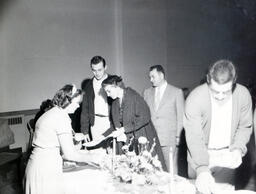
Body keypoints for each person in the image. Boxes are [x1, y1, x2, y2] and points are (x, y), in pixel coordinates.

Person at [184, 60, 253, 194]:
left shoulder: (243, 95)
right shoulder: (195, 98)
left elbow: (245, 126)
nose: (220, 97)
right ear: (208, 80)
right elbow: (194, 137)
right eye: (215, 91)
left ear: (234, 82)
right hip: (200, 155)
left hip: (227, 155)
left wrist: (238, 148)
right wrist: (202, 169)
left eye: (226, 92)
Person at [23, 84, 101, 194]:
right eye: (78, 103)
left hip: (38, 165)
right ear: (69, 100)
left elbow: (61, 148)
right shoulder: (61, 117)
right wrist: (93, 158)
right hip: (45, 169)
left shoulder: (52, 112)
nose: (78, 106)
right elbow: (69, 155)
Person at [101, 75, 167, 171]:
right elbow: (115, 126)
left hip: (141, 137)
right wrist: (102, 137)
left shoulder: (133, 97)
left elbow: (145, 117)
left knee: (146, 170)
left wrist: (124, 129)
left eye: (109, 91)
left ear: (116, 86)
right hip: (127, 140)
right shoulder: (115, 103)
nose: (107, 95)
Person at [143, 65, 184, 173]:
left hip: (169, 139)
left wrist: (179, 137)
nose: (151, 80)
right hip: (152, 139)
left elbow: (181, 117)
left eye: (153, 76)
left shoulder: (176, 92)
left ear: (161, 75)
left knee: (171, 169)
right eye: (149, 77)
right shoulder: (147, 92)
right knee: (153, 169)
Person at [80, 56, 112, 146]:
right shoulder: (89, 85)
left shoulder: (114, 82)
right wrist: (84, 131)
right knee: (98, 151)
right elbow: (85, 110)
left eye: (100, 70)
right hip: (95, 123)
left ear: (105, 67)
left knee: (112, 150)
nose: (97, 73)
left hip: (110, 122)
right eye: (94, 70)